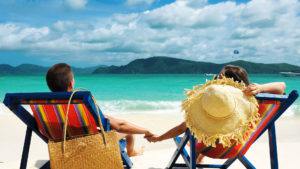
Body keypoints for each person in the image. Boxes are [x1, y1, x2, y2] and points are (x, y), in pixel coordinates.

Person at [145, 65, 286, 162]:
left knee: (200, 126)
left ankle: (196, 157)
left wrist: (158, 138)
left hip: (210, 149)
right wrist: (261, 88)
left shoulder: (217, 105)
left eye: (219, 77)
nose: (215, 79)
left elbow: (182, 128)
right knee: (214, 129)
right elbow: (282, 86)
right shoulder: (253, 102)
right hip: (237, 148)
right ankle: (199, 155)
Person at [46, 63, 154, 156]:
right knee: (129, 132)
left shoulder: (44, 106)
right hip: (90, 146)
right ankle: (132, 152)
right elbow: (120, 125)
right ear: (71, 83)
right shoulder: (80, 103)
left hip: (64, 147)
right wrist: (146, 131)